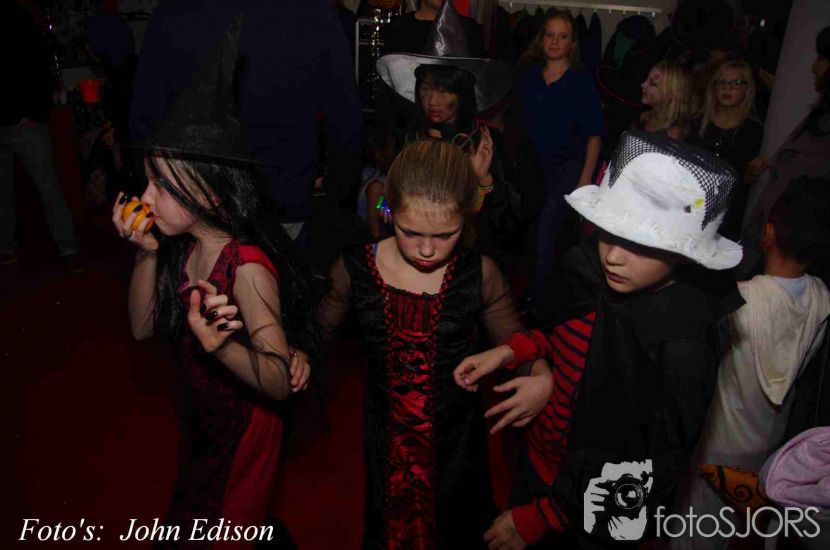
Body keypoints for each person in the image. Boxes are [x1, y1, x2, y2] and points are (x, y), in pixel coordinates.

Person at [454, 131, 745, 548]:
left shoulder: (685, 341)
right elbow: (561, 333)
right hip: (538, 460)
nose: (613, 256)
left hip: (590, 514)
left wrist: (549, 514)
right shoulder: (589, 268)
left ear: (685, 251)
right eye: (610, 232)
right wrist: (516, 350)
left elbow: (653, 462)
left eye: (642, 245)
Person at [113, 20, 321, 549]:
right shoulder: (181, 248)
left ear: (207, 195)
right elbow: (141, 329)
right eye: (147, 180)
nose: (144, 197)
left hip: (243, 429)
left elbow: (279, 382)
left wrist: (223, 347)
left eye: (161, 185)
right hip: (202, 417)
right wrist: (147, 254)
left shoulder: (245, 267)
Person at [317, 139, 552, 549]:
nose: (426, 249)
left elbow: (519, 343)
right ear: (389, 210)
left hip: (457, 447)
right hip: (385, 444)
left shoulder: (479, 274)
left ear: (466, 217)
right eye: (410, 232)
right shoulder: (354, 269)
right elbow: (312, 338)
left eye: (445, 235)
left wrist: (542, 376)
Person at [670, 175, 830, 550]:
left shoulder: (739, 301)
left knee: (692, 531)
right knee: (729, 527)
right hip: (769, 442)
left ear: (768, 233)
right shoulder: (822, 297)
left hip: (718, 442)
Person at [130, 0, 362, 246]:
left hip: (198, 204)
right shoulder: (312, 11)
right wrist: (335, 197)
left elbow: (144, 125)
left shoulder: (175, 11)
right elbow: (346, 123)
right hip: (277, 200)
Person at [376, 0, 521, 267]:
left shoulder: (483, 142)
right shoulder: (411, 138)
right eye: (426, 89)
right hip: (412, 259)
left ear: (462, 94)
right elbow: (387, 200)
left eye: (444, 91)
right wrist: (384, 202)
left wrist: (483, 180)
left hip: (465, 265)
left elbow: (508, 224)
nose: (432, 100)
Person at [514, 9, 604, 303]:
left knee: (548, 232)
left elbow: (594, 134)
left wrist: (585, 179)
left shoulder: (582, 81)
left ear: (573, 43)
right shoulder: (527, 76)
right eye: (550, 35)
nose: (555, 42)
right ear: (541, 39)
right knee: (528, 233)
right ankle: (524, 297)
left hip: (568, 167)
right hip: (531, 166)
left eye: (562, 36)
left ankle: (539, 304)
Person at [740, 26, 830, 279]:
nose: (814, 66)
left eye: (822, 59)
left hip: (789, 249)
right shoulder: (819, 115)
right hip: (771, 238)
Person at [0, 1, 81, 272]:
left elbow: (38, 61)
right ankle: (7, 247)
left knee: (48, 187)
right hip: (16, 119)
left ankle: (68, 247)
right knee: (10, 191)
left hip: (24, 121)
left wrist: (34, 111)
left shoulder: (16, 16)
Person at [688, 60, 763, 239]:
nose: (727, 88)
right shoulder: (699, 121)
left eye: (735, 83)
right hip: (690, 201)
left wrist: (753, 173)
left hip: (726, 214)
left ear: (747, 88)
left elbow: (743, 179)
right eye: (721, 82)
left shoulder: (752, 129)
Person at [639, 60, 694, 140]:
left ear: (672, 93)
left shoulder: (672, 136)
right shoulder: (646, 118)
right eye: (646, 79)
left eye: (653, 84)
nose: (643, 85)